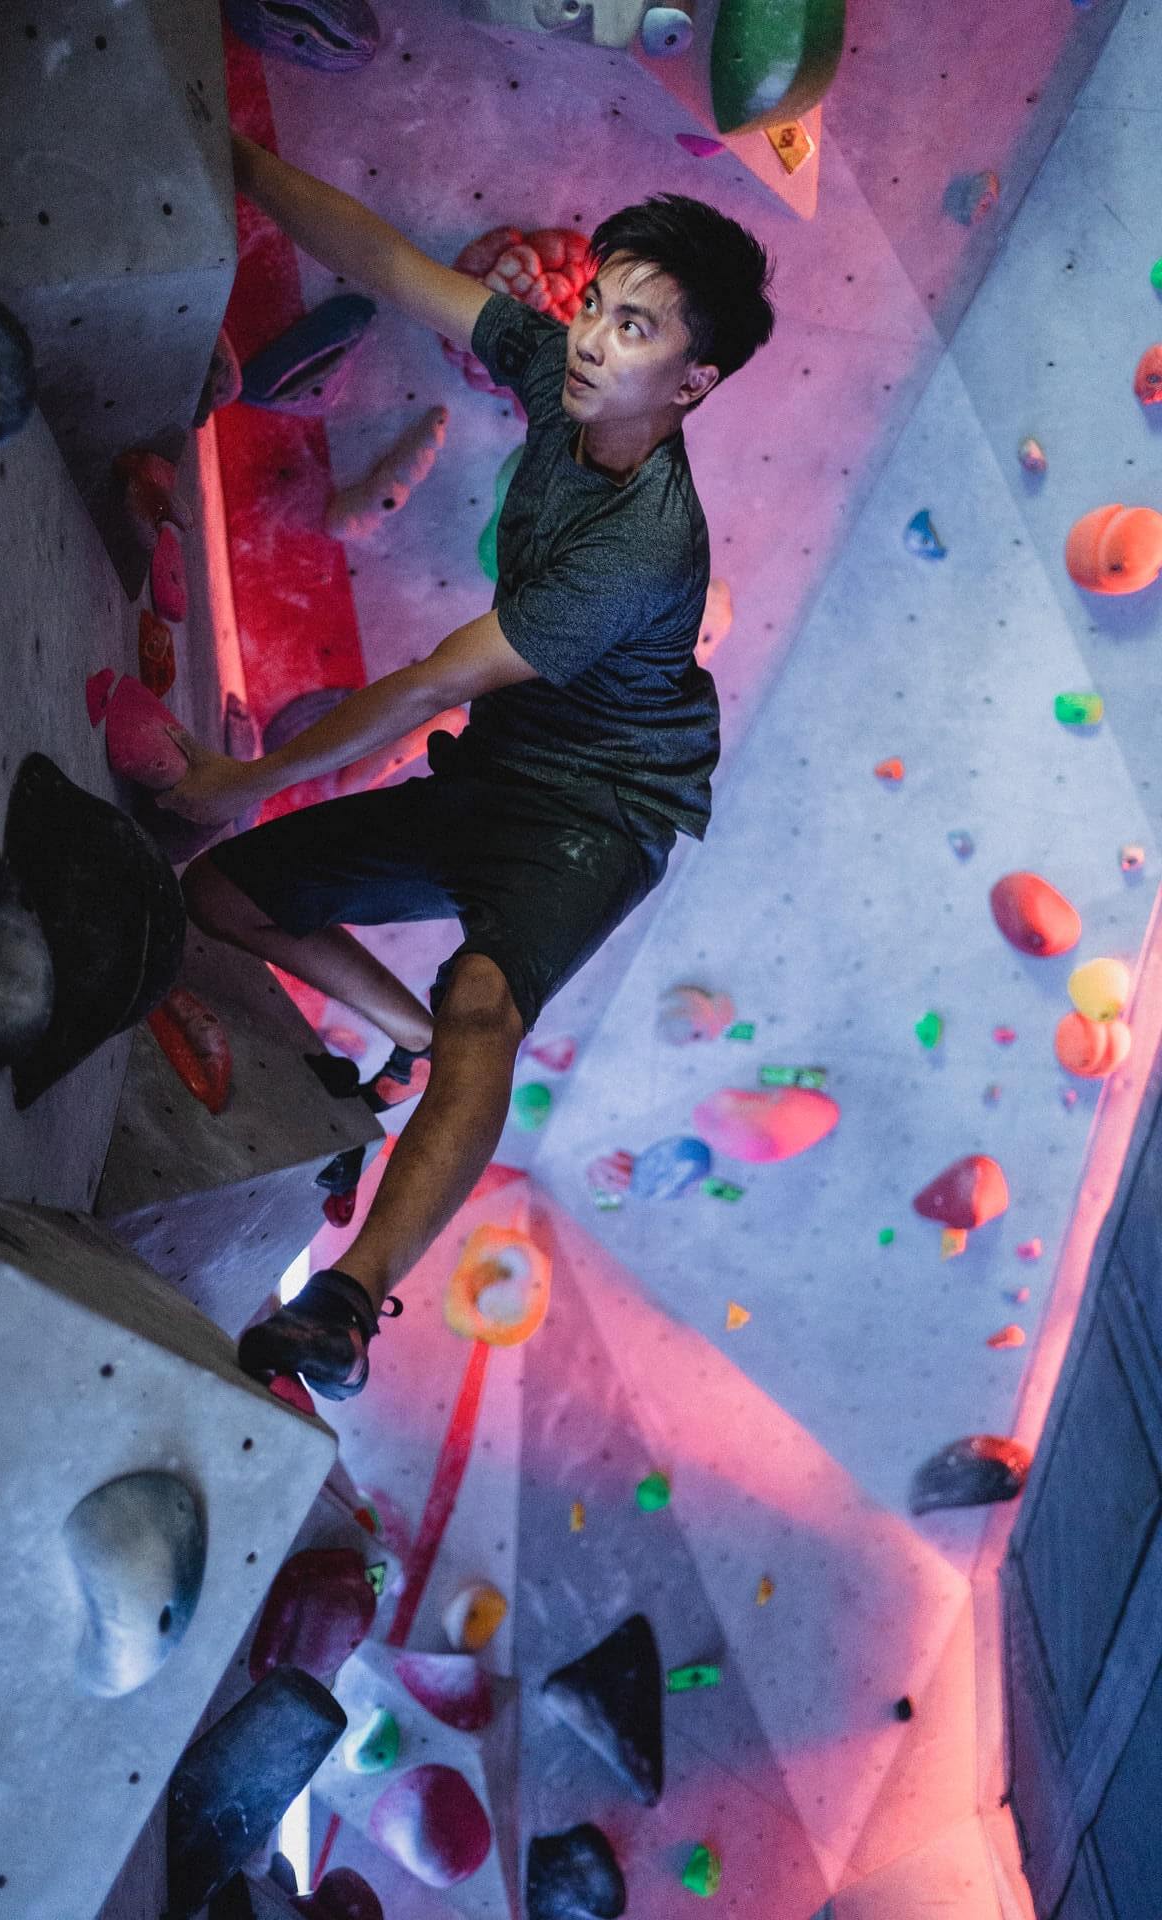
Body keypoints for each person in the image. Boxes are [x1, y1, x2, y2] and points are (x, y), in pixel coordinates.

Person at [167, 130, 776, 1400]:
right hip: (506, 770)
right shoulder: (563, 374)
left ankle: (340, 1305)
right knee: (219, 898)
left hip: (599, 811)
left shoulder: (643, 547)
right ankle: (399, 1052)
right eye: (599, 307)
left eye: (638, 329)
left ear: (694, 381)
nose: (597, 339)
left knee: (486, 1005)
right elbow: (387, 258)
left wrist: (240, 780)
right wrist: (245, 162)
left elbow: (435, 678)